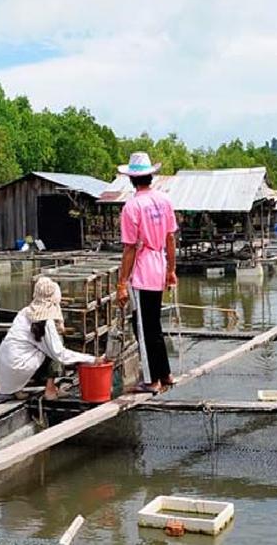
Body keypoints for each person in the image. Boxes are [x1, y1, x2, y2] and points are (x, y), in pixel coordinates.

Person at [116, 152, 178, 393]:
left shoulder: (132, 206)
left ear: (131, 179)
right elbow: (170, 238)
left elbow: (130, 248)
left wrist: (122, 282)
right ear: (150, 176)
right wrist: (171, 270)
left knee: (142, 326)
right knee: (154, 324)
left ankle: (152, 380)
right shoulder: (164, 201)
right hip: (159, 263)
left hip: (143, 269)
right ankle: (166, 373)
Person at [0, 276, 100, 398]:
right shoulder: (45, 322)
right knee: (55, 346)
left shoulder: (25, 311)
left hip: (7, 367)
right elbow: (60, 354)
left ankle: (18, 389)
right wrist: (92, 359)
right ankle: (50, 389)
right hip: (19, 367)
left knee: (43, 345)